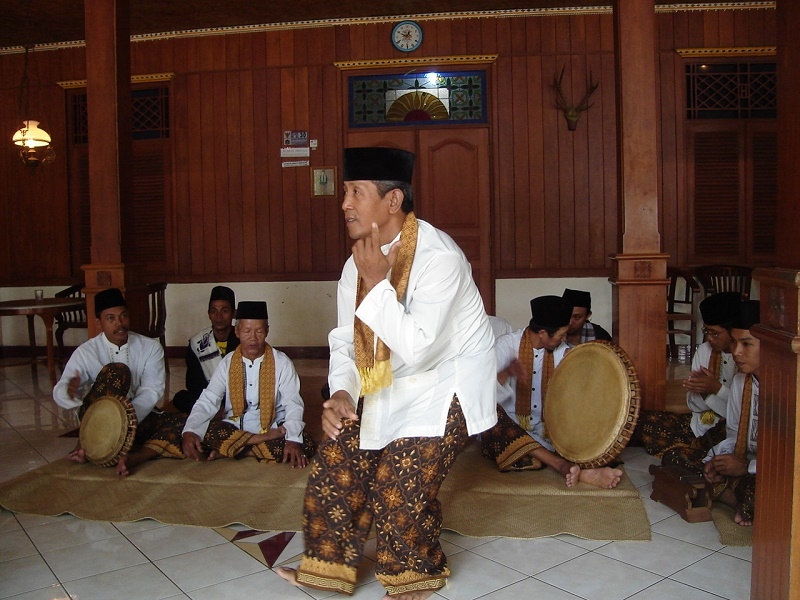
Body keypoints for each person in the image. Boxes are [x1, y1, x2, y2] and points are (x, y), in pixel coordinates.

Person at [277, 147, 497, 599]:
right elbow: (345, 339)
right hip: (385, 384)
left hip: (446, 387)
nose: (344, 204)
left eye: (356, 192)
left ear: (393, 201)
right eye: (344, 192)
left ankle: (416, 572)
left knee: (395, 488)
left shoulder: (440, 257)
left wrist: (378, 283)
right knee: (338, 460)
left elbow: (418, 347)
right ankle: (328, 569)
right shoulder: (354, 264)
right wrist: (342, 392)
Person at [115, 300, 316, 476]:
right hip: (230, 428)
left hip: (273, 427)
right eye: (247, 331)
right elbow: (209, 399)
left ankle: (230, 449)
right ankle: (252, 444)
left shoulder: (282, 362)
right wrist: (191, 431)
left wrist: (293, 439)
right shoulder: (228, 362)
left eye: (259, 331)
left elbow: (293, 403)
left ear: (267, 331)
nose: (253, 338)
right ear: (237, 331)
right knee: (184, 429)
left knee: (304, 443)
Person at [480, 295, 623, 489]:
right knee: (493, 421)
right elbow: (483, 391)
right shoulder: (506, 345)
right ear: (543, 333)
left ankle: (579, 468)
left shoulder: (563, 352)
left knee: (583, 429)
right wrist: (507, 372)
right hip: (511, 426)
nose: (564, 339)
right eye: (561, 335)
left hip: (548, 429)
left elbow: (582, 390)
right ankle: (562, 465)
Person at [53, 287, 166, 463]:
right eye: (110, 318)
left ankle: (128, 454)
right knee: (117, 371)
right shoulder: (87, 351)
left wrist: (124, 421)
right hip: (98, 419)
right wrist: (68, 390)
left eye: (123, 316)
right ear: (99, 323)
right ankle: (90, 442)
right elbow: (62, 389)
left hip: (135, 417)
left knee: (182, 425)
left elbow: (152, 390)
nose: (119, 323)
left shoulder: (150, 347)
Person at [636, 291, 740, 459]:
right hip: (700, 424)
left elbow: (740, 413)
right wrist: (704, 392)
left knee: (715, 440)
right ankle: (694, 450)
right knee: (645, 420)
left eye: (715, 333)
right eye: (706, 331)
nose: (709, 338)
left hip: (729, 430)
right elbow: (693, 405)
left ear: (733, 332)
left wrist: (716, 389)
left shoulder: (743, 358)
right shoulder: (704, 351)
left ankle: (693, 452)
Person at [702, 300, 760, 526]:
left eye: (747, 344)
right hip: (745, 462)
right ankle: (735, 497)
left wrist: (746, 467)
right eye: (734, 342)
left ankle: (734, 498)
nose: (736, 352)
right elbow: (734, 434)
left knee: (762, 493)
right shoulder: (741, 382)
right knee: (680, 460)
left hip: (774, 472)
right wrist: (718, 461)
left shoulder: (789, 389)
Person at [171, 285, 239, 414]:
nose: (219, 316)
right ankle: (216, 411)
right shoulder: (197, 343)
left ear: (234, 313)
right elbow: (193, 384)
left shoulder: (242, 339)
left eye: (224, 311)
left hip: (238, 397)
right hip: (209, 398)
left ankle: (216, 412)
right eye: (214, 311)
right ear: (209, 314)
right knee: (181, 398)